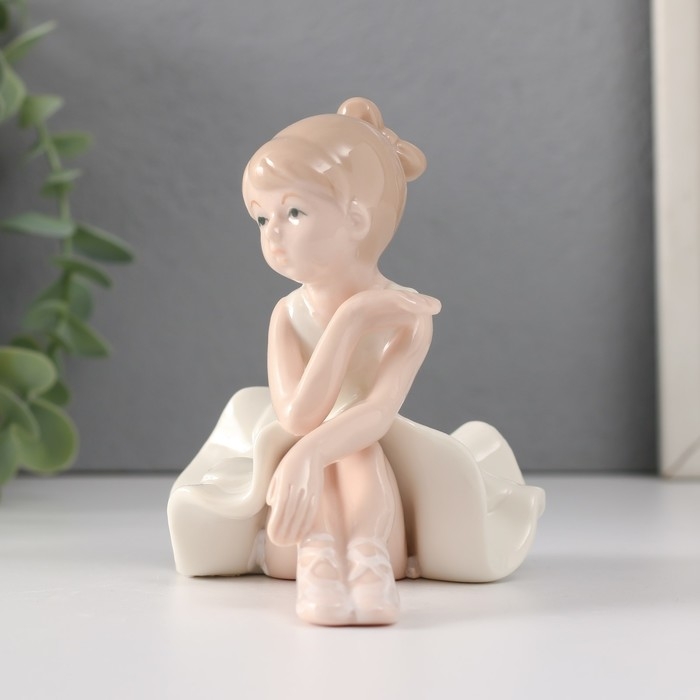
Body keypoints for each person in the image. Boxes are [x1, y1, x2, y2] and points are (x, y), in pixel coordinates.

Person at [168, 98, 545, 626]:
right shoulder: (288, 314)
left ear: (356, 218)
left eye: (293, 212)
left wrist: (310, 454)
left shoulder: (407, 316)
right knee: (335, 451)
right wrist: (349, 322)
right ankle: (320, 557)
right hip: (298, 464)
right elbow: (298, 417)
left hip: (360, 453)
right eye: (261, 217)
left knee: (357, 449)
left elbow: (376, 413)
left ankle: (365, 559)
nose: (272, 234)